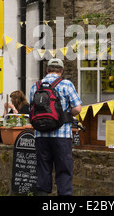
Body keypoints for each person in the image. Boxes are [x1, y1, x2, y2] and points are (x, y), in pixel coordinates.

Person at [29, 58, 82, 196]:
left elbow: (31, 109)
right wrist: (67, 114)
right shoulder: (66, 84)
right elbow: (77, 108)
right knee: (63, 170)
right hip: (61, 135)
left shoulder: (36, 86)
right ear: (61, 71)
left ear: (47, 70)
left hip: (40, 135)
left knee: (43, 170)